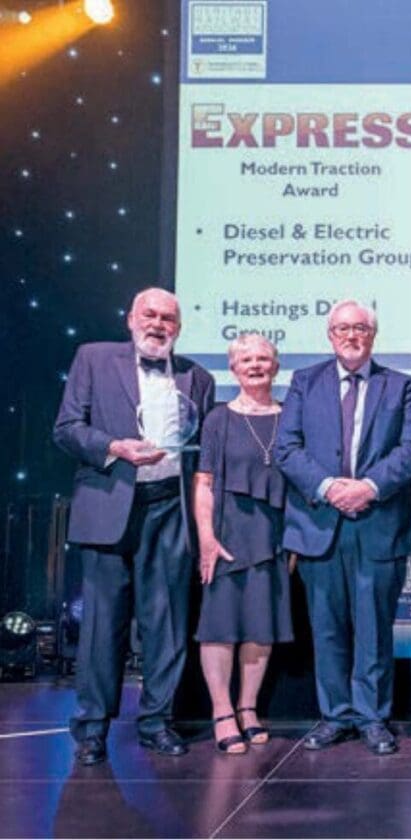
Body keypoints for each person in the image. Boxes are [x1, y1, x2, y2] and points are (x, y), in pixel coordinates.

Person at [53, 287, 215, 766]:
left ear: (178, 328)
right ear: (130, 319)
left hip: (169, 509)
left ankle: (156, 722)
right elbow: (66, 429)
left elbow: (202, 454)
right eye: (150, 315)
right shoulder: (93, 359)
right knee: (102, 626)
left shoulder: (198, 377)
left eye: (168, 318)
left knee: (166, 624)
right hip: (109, 505)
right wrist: (114, 447)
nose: (158, 324)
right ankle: (92, 729)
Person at [274, 300, 411, 755]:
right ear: (330, 335)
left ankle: (373, 717)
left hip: (378, 523)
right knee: (327, 630)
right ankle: (335, 715)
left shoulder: (402, 386)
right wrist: (328, 487)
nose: (352, 335)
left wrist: (369, 487)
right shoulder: (304, 382)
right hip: (320, 524)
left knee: (374, 630)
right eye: (342, 328)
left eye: (360, 328)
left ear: (373, 335)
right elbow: (286, 448)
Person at [192, 334, 293, 755]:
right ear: (233, 369)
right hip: (227, 534)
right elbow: (204, 483)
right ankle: (222, 711)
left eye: (263, 359)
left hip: (274, 535)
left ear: (276, 366)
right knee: (220, 626)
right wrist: (206, 538)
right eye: (246, 360)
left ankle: (248, 708)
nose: (255, 366)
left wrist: (295, 541)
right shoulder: (219, 419)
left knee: (260, 624)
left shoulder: (291, 416)